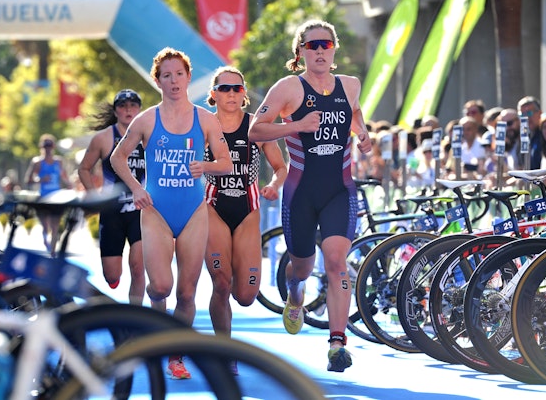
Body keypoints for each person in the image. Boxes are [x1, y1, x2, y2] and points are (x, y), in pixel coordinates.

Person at [248, 19, 372, 373]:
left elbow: (355, 112)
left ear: (334, 49)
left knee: (336, 262)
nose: (319, 51)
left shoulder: (350, 84)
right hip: (300, 192)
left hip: (339, 189)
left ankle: (337, 344)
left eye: (325, 45)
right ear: (300, 51)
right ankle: (294, 290)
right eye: (311, 45)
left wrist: (362, 132)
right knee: (301, 266)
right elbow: (256, 130)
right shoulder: (289, 88)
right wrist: (297, 126)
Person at [110, 47, 232, 380]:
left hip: (193, 212)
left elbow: (225, 163)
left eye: (179, 74)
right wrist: (136, 188)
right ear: (158, 81)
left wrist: (205, 166)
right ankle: (153, 318)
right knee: (161, 287)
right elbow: (117, 158)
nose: (174, 81)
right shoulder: (146, 120)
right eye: (167, 75)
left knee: (187, 292)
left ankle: (174, 356)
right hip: (156, 211)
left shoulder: (205, 119)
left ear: (188, 78)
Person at [202, 66, 287, 376]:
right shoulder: (203, 125)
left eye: (237, 88)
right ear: (213, 94)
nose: (231, 94)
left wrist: (274, 186)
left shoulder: (255, 127)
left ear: (244, 94)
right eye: (224, 88)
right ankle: (225, 351)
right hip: (212, 208)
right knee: (221, 283)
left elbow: (280, 167)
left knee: (246, 296)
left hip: (248, 211)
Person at [78, 89, 146, 305]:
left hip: (139, 211)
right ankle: (113, 280)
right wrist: (94, 196)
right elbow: (84, 168)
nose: (128, 110)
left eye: (133, 105)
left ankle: (135, 314)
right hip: (111, 212)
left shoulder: (149, 136)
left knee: (138, 266)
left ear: (139, 109)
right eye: (123, 106)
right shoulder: (103, 138)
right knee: (112, 276)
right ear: (116, 111)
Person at [25, 134, 72, 255]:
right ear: (41, 147)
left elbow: (64, 176)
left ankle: (52, 252)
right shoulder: (37, 162)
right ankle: (46, 242)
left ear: (53, 146)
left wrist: (69, 184)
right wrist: (40, 180)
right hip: (43, 198)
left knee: (55, 226)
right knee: (45, 226)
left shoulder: (58, 161)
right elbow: (28, 180)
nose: (48, 148)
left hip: (56, 198)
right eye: (45, 146)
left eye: (50, 145)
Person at [517, 96, 543, 169]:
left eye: (529, 113)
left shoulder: (545, 134)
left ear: (539, 113)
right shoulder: (524, 137)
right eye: (522, 115)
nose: (526, 118)